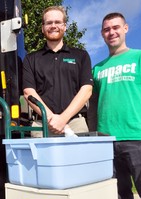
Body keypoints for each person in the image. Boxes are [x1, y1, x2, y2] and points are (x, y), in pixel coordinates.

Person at [91, 12, 141, 199]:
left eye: (115, 27)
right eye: (106, 29)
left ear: (125, 28)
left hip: (138, 140)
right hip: (106, 142)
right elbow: (93, 107)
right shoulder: (97, 69)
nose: (111, 32)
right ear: (102, 34)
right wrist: (94, 137)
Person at [22, 6, 93, 137]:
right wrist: (51, 119)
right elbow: (28, 93)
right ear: (43, 28)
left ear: (65, 26)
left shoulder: (81, 56)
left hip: (75, 124)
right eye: (49, 23)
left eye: (58, 22)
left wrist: (63, 119)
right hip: (42, 125)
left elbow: (86, 90)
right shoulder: (30, 59)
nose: (53, 26)